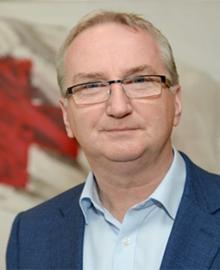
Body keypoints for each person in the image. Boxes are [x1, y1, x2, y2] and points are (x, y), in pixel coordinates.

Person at [6, 10, 220, 270]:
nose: (118, 107)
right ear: (66, 117)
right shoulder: (29, 236)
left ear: (175, 102)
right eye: (92, 86)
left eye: (140, 80)